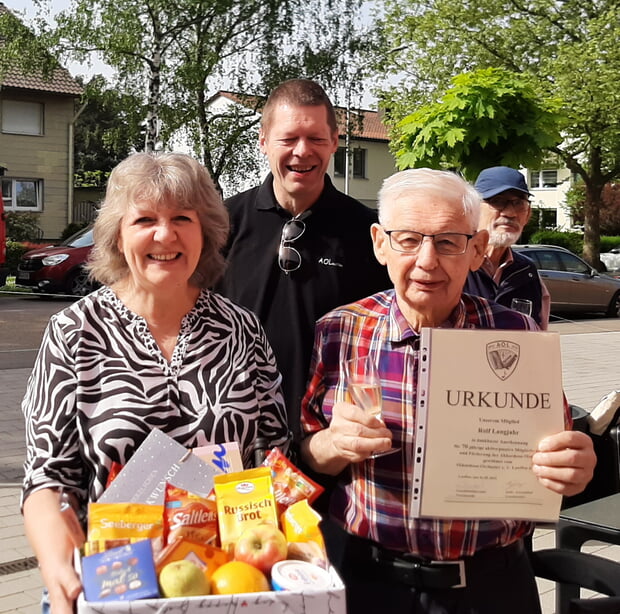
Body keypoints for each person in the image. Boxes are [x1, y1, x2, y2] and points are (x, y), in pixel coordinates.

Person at [300, 168, 596, 614]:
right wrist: (331, 444)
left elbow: (555, 451)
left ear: (476, 249)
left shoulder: (518, 334)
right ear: (380, 243)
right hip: (369, 585)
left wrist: (573, 466)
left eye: (447, 242)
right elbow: (305, 456)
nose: (426, 261)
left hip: (492, 587)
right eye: (408, 240)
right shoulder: (340, 331)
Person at [21, 152, 290, 614]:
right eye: (145, 219)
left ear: (204, 231)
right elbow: (48, 479)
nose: (165, 235)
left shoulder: (242, 329)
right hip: (110, 586)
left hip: (224, 584)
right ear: (117, 235)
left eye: (182, 218)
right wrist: (56, 569)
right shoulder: (74, 332)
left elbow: (272, 458)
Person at [215, 78, 390, 442]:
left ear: (335, 143)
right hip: (235, 431)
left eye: (316, 139)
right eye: (288, 138)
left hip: (330, 438)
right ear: (263, 141)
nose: (302, 151)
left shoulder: (367, 232)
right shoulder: (221, 224)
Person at [464, 166, 551, 328]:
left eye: (519, 203)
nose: (510, 213)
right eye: (497, 201)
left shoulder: (527, 271)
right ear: (473, 210)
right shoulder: (455, 262)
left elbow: (538, 337)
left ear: (528, 214)